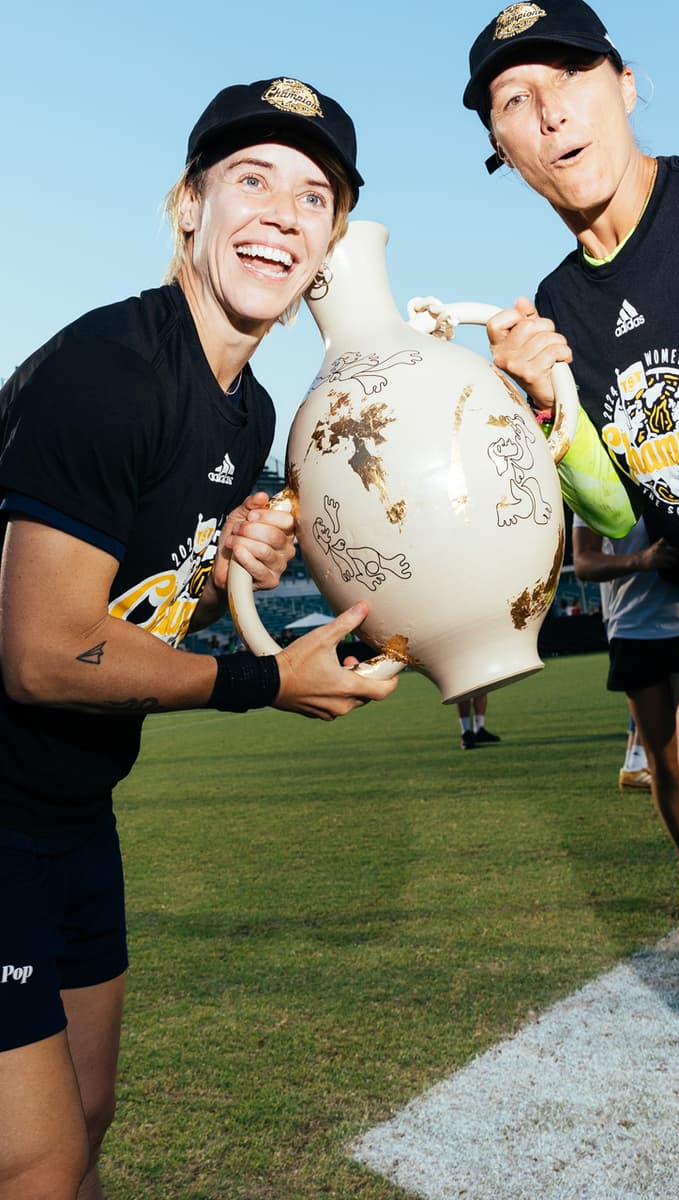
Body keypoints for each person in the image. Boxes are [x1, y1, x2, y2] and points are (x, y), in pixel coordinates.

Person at [0, 77, 398, 1200]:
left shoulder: (248, 410)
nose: (280, 210)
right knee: (31, 1159)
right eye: (250, 180)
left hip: (71, 808)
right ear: (188, 205)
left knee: (82, 1118)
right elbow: (38, 651)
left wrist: (215, 559)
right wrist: (258, 679)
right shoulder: (112, 370)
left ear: (328, 246)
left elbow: (137, 567)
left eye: (311, 196)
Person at [462, 1, 679, 943]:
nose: (551, 112)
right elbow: (622, 501)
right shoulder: (563, 305)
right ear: (503, 148)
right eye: (516, 100)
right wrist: (548, 410)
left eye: (570, 77)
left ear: (625, 83)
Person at [573, 515, 679, 973]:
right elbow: (583, 563)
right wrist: (643, 560)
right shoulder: (603, 476)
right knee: (664, 766)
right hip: (633, 628)